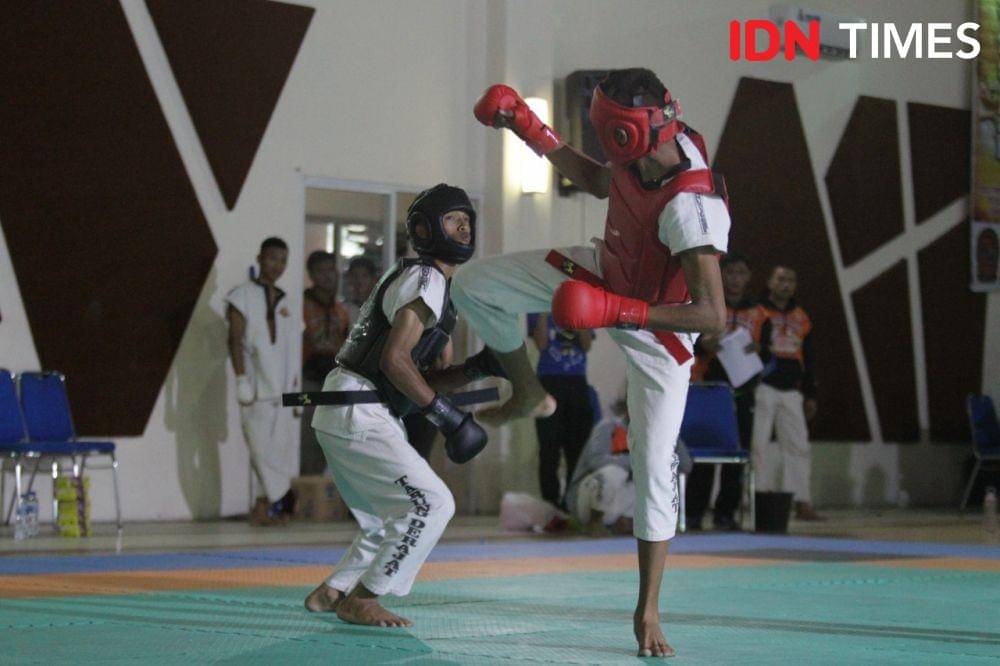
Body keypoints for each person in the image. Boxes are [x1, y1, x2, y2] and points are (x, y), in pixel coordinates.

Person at [458, 68, 729, 658]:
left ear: (632, 129)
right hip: (603, 274)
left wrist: (618, 311)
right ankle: (528, 390)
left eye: (608, 128)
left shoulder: (691, 204)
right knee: (475, 285)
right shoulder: (642, 153)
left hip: (660, 335)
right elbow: (596, 180)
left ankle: (648, 609)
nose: (603, 137)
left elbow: (713, 315)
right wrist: (526, 127)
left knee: (654, 466)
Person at [304, 184, 497, 628]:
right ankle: (365, 598)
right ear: (426, 229)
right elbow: (394, 361)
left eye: (467, 219)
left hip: (347, 407)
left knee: (384, 517)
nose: (464, 227)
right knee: (432, 504)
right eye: (452, 219)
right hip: (359, 407)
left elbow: (418, 377)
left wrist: (477, 369)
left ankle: (334, 590)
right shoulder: (427, 279)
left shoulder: (430, 285)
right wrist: (448, 418)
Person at [685, 252, 763, 530]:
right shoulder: (707, 305)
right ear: (720, 275)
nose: (735, 279)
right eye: (730, 273)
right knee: (704, 452)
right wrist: (703, 345)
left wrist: (759, 350)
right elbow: (687, 342)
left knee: (736, 455)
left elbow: (770, 353)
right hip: (710, 391)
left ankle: (725, 514)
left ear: (749, 277)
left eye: (741, 273)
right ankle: (694, 512)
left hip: (742, 392)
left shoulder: (760, 312)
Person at [226, 237, 300, 526]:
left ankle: (262, 509)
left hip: (284, 391)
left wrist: (296, 391)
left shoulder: (287, 301)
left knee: (276, 453)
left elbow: (293, 349)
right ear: (259, 258)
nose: (277, 265)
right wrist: (241, 379)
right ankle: (284, 495)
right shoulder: (241, 295)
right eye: (272, 258)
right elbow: (235, 340)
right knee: (258, 449)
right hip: (256, 390)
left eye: (282, 260)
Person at [750, 266, 824, 521]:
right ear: (770, 282)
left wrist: (810, 393)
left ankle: (801, 501)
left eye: (791, 280)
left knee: (798, 446)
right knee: (758, 444)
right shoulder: (758, 312)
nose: (786, 284)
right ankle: (758, 499)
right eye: (781, 279)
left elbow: (810, 357)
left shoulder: (801, 317)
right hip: (763, 387)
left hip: (791, 390)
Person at [527, 313, 595, 508]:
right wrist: (543, 306)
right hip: (549, 381)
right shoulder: (535, 308)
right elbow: (541, 344)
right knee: (548, 447)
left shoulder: (583, 306)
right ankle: (550, 503)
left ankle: (572, 502)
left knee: (577, 448)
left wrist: (577, 310)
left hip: (577, 382)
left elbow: (587, 345)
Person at [301, 250, 351, 474]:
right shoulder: (301, 305)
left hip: (333, 382)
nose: (328, 276)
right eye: (321, 271)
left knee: (329, 438)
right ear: (311, 274)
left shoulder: (341, 311)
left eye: (331, 270)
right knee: (307, 439)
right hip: (308, 381)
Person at [565, 399, 634, 536]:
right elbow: (597, 461)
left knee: (652, 477)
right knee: (614, 471)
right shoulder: (608, 426)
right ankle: (595, 521)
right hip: (584, 500)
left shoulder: (653, 436)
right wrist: (637, 462)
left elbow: (679, 465)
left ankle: (625, 521)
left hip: (617, 505)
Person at [343, 255, 379, 327]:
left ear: (373, 279)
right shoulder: (344, 309)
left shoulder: (379, 308)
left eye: (365, 276)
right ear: (350, 279)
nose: (360, 281)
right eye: (355, 276)